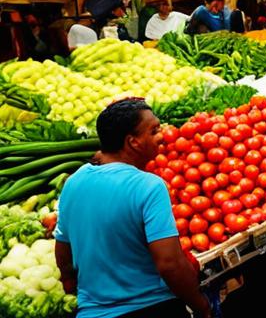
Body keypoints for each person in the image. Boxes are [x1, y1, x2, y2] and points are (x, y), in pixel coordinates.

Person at [55, 99, 213, 318]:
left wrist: (76, 286)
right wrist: (201, 306)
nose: (162, 135)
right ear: (133, 142)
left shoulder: (74, 182)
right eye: (154, 130)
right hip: (151, 308)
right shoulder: (149, 186)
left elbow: (63, 255)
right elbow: (170, 264)